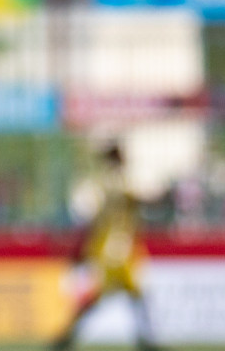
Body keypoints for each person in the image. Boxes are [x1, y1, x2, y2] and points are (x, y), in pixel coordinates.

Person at [53, 143, 155, 351]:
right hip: (113, 251)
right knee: (124, 296)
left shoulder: (107, 182)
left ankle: (145, 340)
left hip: (116, 249)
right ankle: (67, 337)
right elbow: (134, 201)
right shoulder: (115, 182)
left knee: (131, 296)